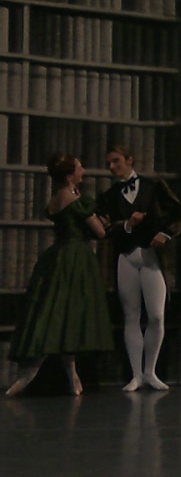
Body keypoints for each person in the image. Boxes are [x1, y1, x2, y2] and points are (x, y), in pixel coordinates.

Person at [7, 153, 115, 396]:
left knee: (66, 313)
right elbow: (99, 232)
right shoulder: (74, 198)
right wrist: (105, 223)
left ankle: (72, 375)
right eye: (79, 167)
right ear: (69, 175)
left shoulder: (60, 196)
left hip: (59, 255)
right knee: (65, 312)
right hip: (74, 258)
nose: (83, 171)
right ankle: (33, 373)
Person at [97, 144, 181, 392]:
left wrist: (166, 233)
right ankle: (136, 375)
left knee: (156, 315)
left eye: (116, 161)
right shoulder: (109, 196)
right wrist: (127, 224)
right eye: (109, 164)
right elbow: (104, 229)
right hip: (126, 257)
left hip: (152, 257)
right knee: (131, 315)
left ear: (130, 160)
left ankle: (151, 372)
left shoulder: (153, 186)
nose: (112, 167)